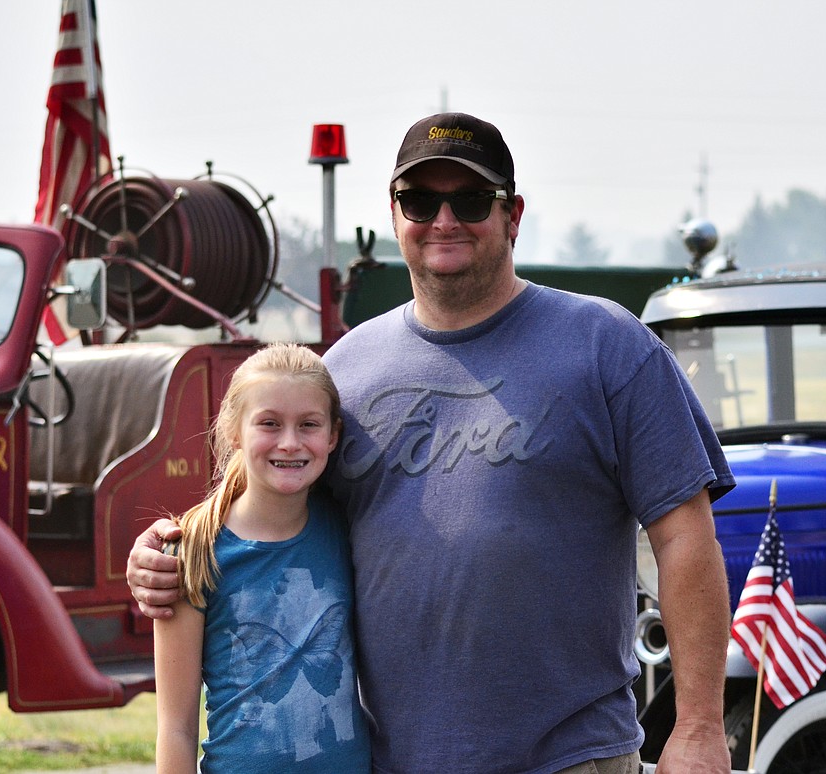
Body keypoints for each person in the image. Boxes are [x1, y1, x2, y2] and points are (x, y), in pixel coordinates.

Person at [131, 112, 734, 774]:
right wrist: (166, 553)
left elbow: (685, 536)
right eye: (420, 200)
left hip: (570, 756)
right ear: (395, 216)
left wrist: (699, 724)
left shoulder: (607, 345)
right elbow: (269, 516)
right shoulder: (346, 372)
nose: (444, 220)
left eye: (472, 199)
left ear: (513, 215)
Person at [152, 342, 370, 773]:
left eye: (308, 424)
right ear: (234, 430)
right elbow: (176, 727)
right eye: (269, 423)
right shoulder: (190, 550)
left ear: (333, 435)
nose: (289, 443)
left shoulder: (349, 528)